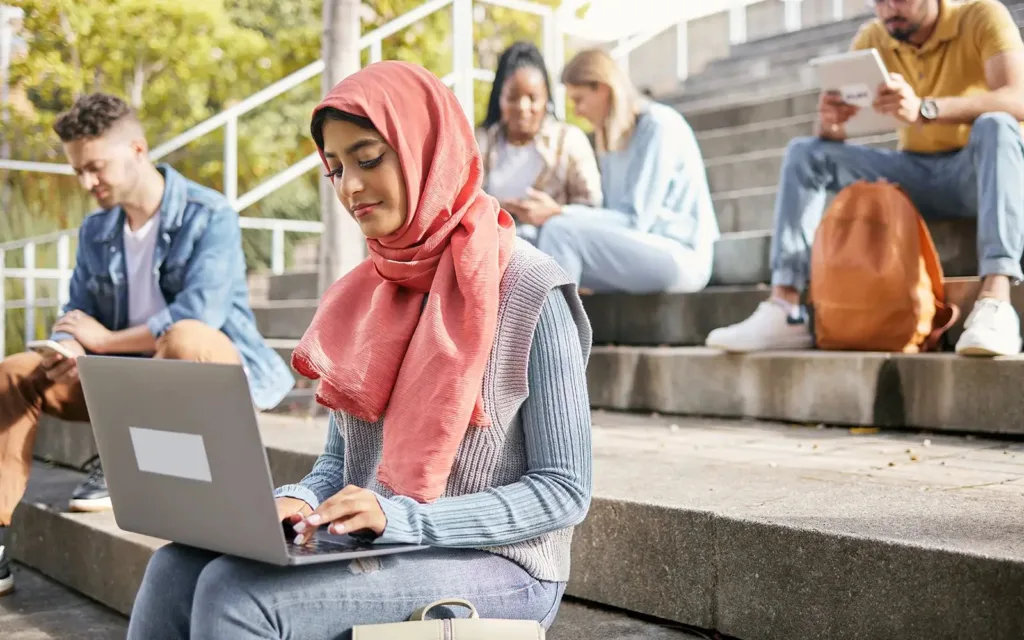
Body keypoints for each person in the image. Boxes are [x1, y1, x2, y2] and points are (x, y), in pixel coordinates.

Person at [126, 61, 593, 639]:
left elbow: (563, 491)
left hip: (507, 566)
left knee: (238, 594)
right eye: (336, 168)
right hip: (384, 537)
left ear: (426, 147)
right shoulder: (366, 293)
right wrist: (292, 501)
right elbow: (339, 464)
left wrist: (407, 520)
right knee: (176, 566)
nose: (350, 186)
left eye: (368, 159)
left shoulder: (531, 290)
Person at [0, 93, 295, 595]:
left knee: (182, 338)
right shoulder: (97, 230)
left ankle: (122, 462)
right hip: (125, 381)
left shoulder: (209, 213)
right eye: (78, 172)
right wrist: (70, 352)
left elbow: (201, 315)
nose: (87, 183)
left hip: (206, 374)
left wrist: (106, 341)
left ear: (137, 149)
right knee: (12, 371)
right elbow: (76, 316)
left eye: (95, 167)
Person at [706, 0, 1024, 357]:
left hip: (981, 173)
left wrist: (926, 108)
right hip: (913, 174)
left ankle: (996, 299)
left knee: (997, 125)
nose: (889, 8)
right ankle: (787, 308)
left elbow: (1018, 98)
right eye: (879, 0)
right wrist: (831, 123)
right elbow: (830, 134)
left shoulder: (981, 14)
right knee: (806, 153)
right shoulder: (873, 36)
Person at [515, 48, 720, 294]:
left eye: (579, 99)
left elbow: (636, 220)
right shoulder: (611, 140)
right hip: (638, 250)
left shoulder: (659, 126)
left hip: (681, 257)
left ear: (602, 88)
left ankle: (558, 332)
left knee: (560, 231)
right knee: (525, 239)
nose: (577, 111)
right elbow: (614, 218)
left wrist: (559, 211)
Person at [476, 41, 603, 243]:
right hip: (491, 248)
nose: (522, 107)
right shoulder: (480, 141)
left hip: (552, 250)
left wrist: (555, 213)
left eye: (533, 98)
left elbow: (593, 207)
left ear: (547, 100)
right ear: (499, 98)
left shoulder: (568, 140)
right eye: (512, 97)